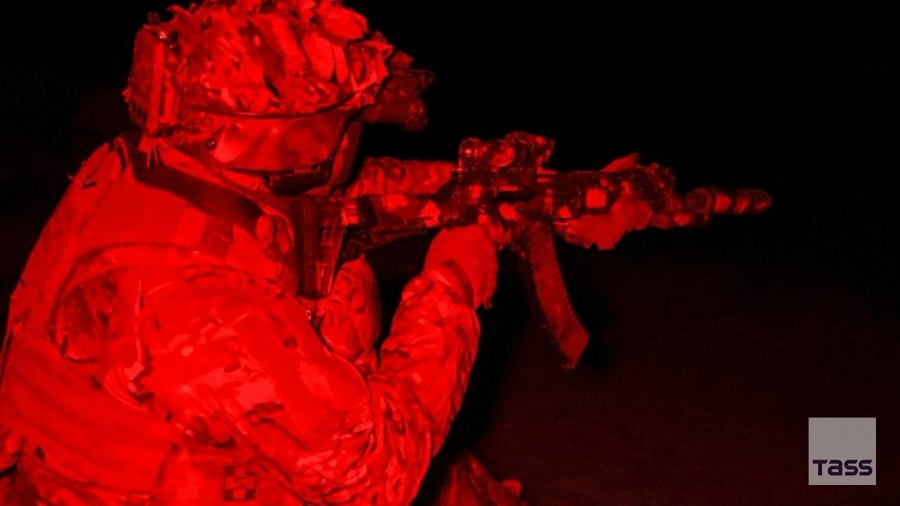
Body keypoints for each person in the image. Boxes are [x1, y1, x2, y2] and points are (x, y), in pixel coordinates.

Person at [0, 1, 651, 503]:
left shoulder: (156, 168)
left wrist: (512, 191)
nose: (355, 138)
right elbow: (381, 477)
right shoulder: (197, 302)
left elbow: (353, 194)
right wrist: (454, 279)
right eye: (347, 124)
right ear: (295, 140)